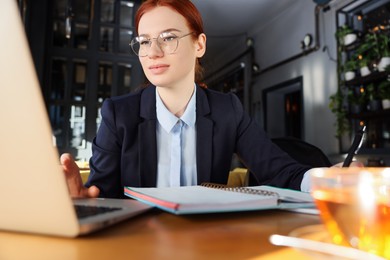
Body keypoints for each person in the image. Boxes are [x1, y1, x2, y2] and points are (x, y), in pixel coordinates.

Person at [61, 0, 359, 199]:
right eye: (143, 41)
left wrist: (326, 179)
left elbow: (280, 171)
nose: (152, 52)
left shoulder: (227, 109)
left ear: (199, 44)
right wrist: (85, 198)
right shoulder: (118, 114)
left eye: (167, 37)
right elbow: (102, 193)